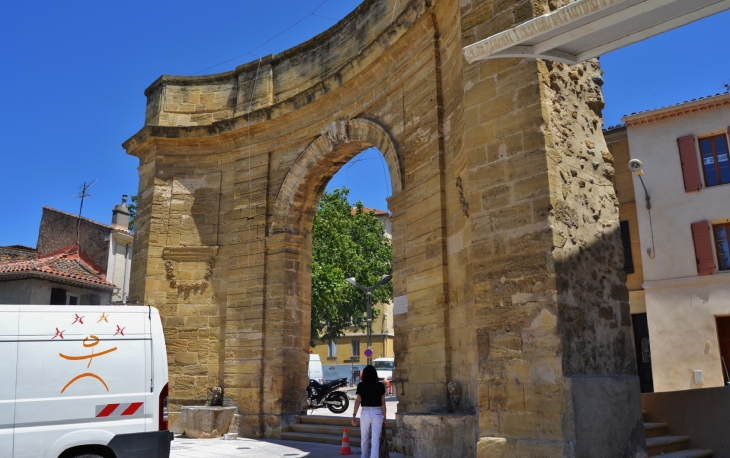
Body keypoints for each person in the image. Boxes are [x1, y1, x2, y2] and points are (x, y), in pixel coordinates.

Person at [351, 365, 386, 458]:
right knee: (375, 440)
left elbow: (357, 401)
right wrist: (385, 417)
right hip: (378, 412)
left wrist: (354, 415)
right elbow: (383, 402)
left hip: (365, 412)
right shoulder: (380, 385)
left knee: (364, 439)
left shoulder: (361, 385)